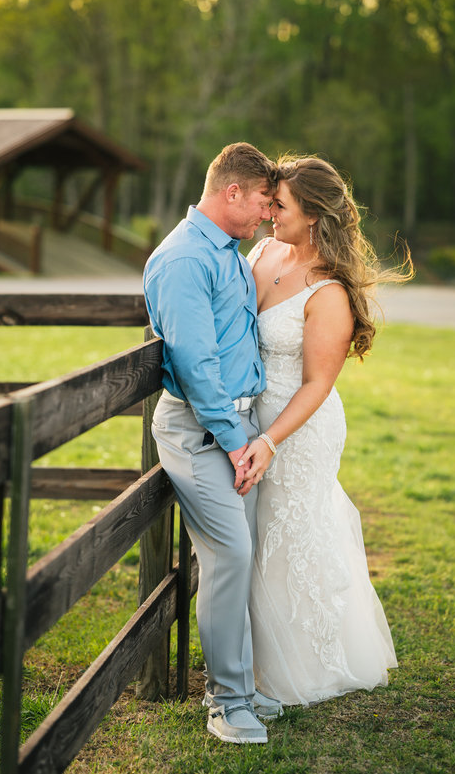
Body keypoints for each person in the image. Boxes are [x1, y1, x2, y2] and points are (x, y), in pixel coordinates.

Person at [238, 154, 412, 706]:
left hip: (299, 428)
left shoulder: (328, 292)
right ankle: (251, 656)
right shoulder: (262, 253)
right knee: (255, 536)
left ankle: (301, 666)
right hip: (250, 418)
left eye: (280, 206)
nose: (270, 214)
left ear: (312, 214)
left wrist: (270, 440)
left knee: (290, 533)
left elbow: (317, 384)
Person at [143, 142, 284, 744]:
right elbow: (196, 365)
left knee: (239, 558)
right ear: (232, 192)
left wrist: (247, 435)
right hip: (201, 434)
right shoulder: (183, 259)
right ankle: (226, 702)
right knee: (228, 557)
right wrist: (232, 441)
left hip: (234, 429)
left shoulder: (225, 252)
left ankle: (240, 687)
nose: (268, 214)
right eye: (263, 201)